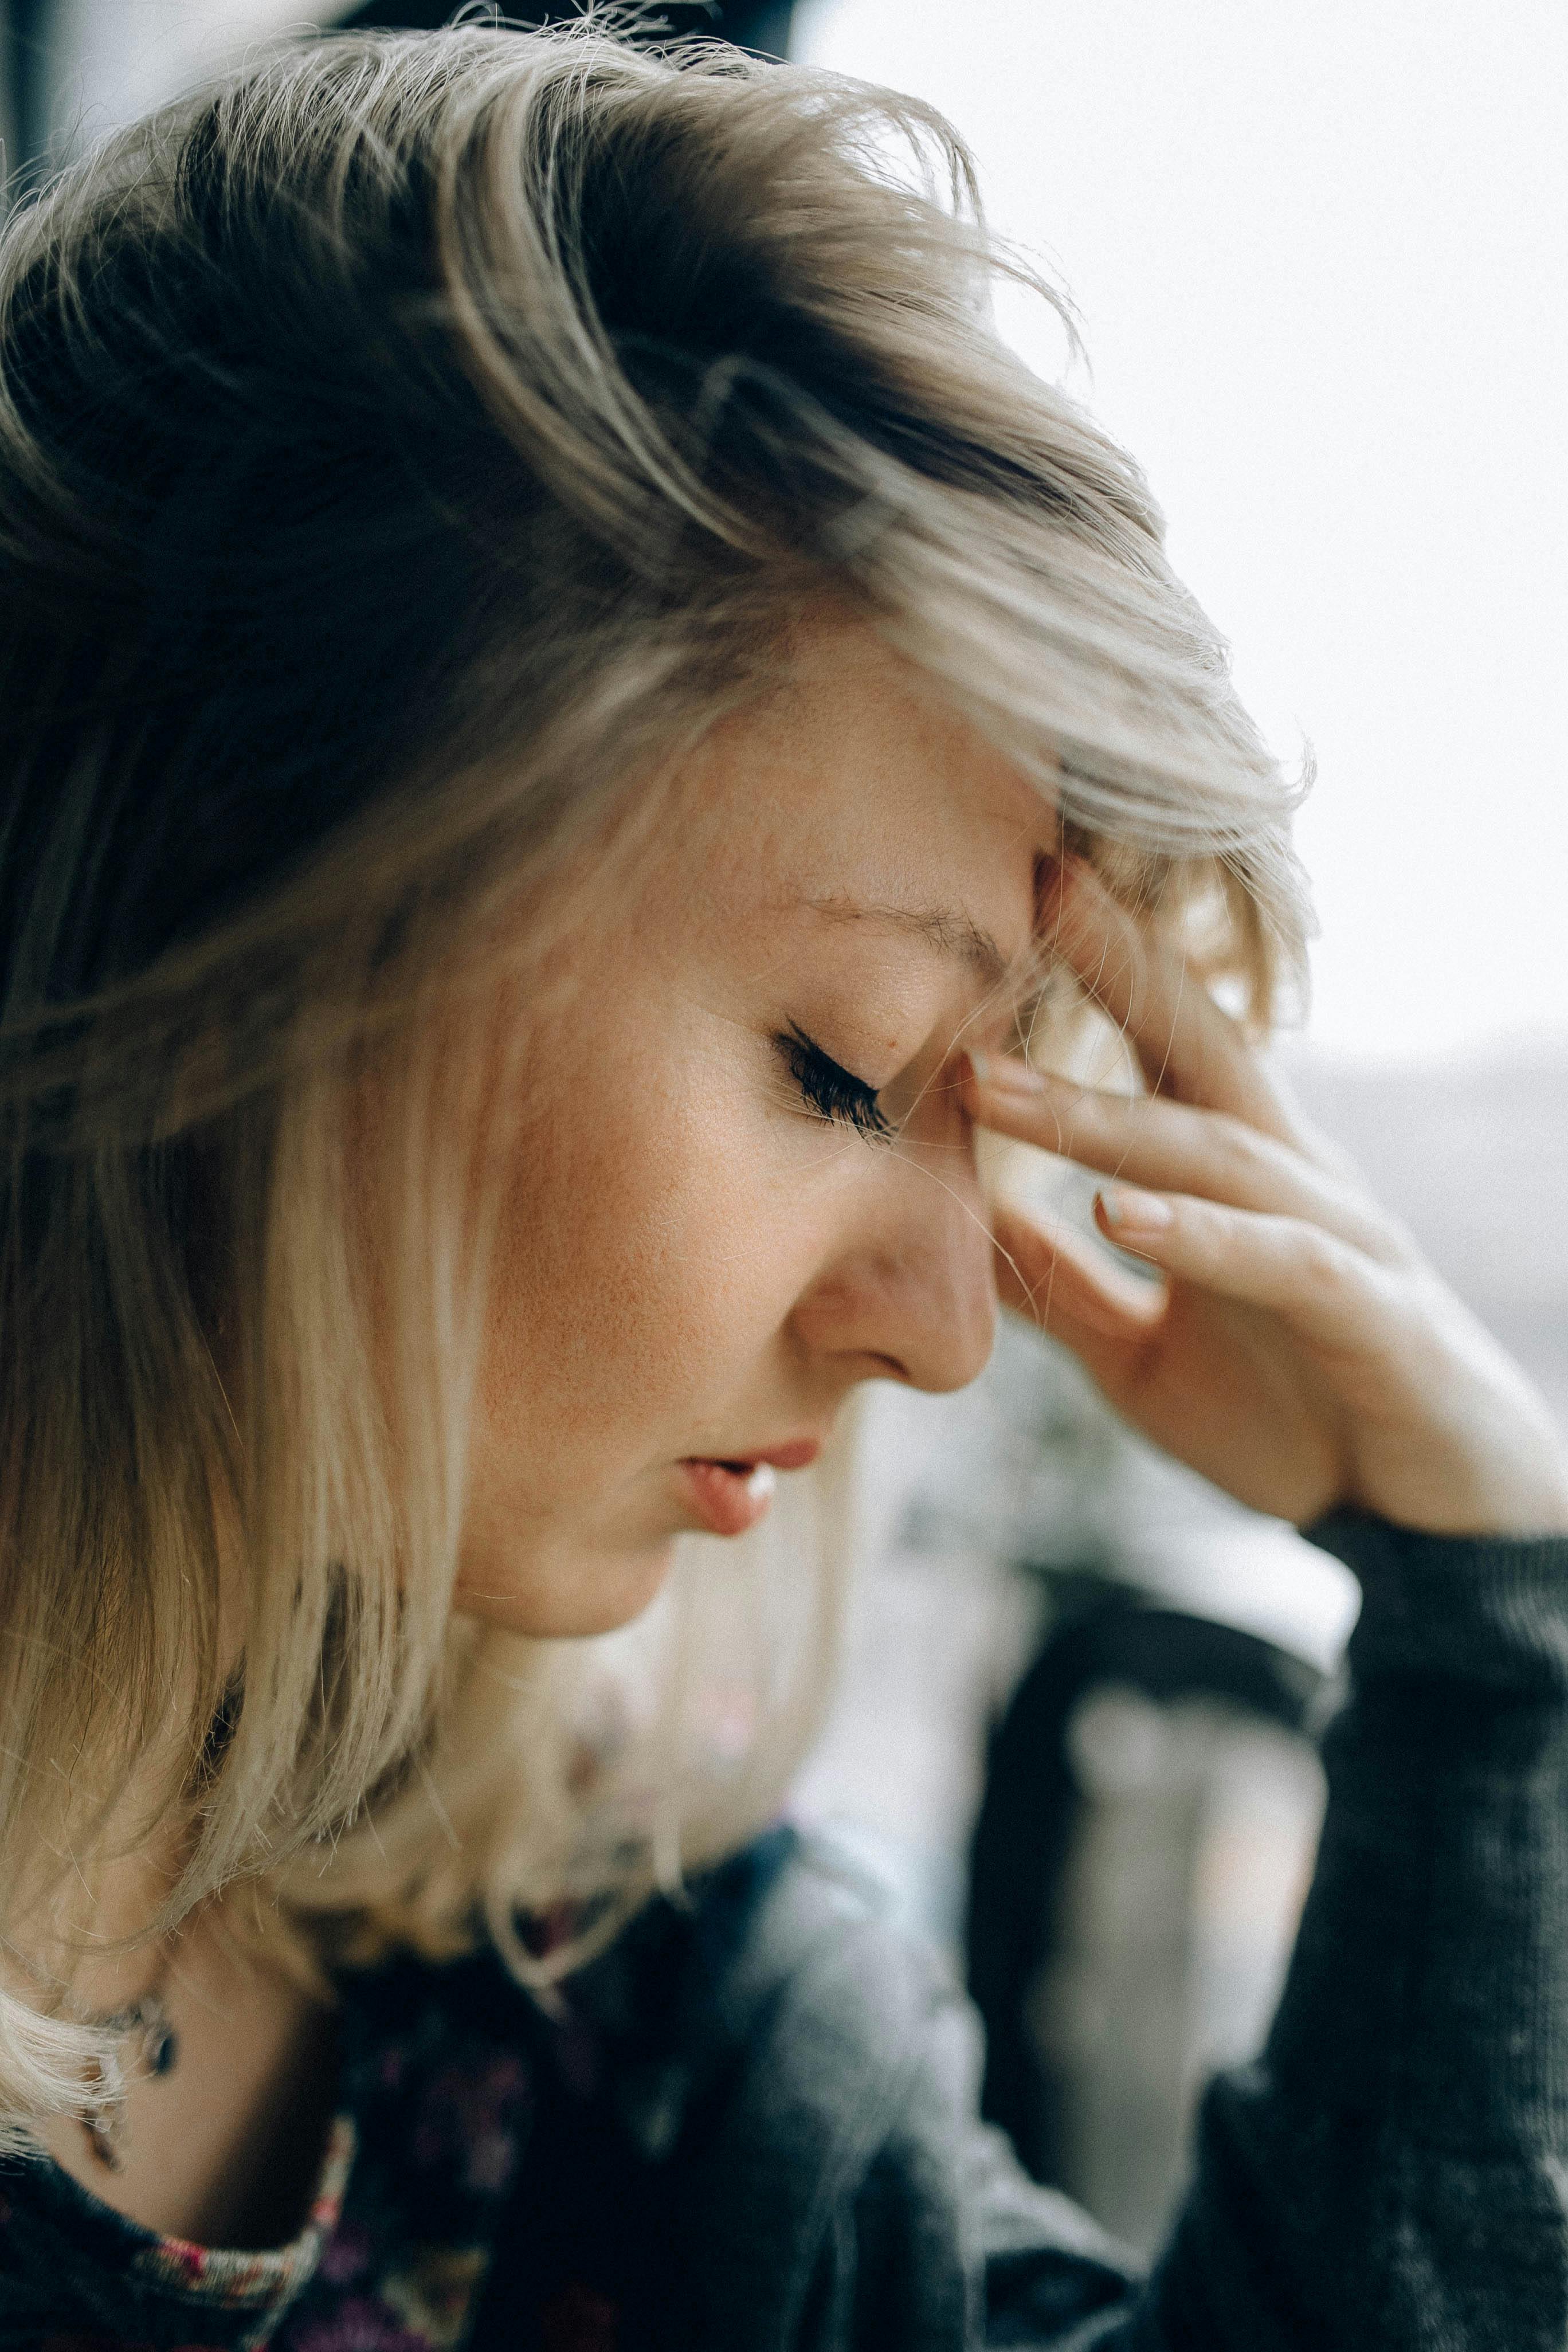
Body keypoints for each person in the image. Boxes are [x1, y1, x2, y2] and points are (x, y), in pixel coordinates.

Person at [0, 20, 1564, 2349]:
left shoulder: (624, 1990)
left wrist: (1478, 1611)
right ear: (263, 922)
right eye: (842, 1069)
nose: (949, 1329)